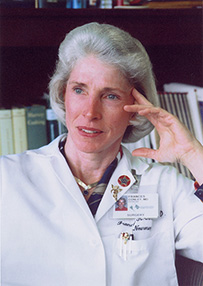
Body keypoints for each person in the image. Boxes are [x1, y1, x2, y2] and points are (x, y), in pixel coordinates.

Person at [0, 22, 203, 286]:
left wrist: (192, 154)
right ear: (63, 93)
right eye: (79, 90)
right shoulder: (7, 179)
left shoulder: (165, 186)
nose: (90, 112)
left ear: (136, 108)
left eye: (110, 96)